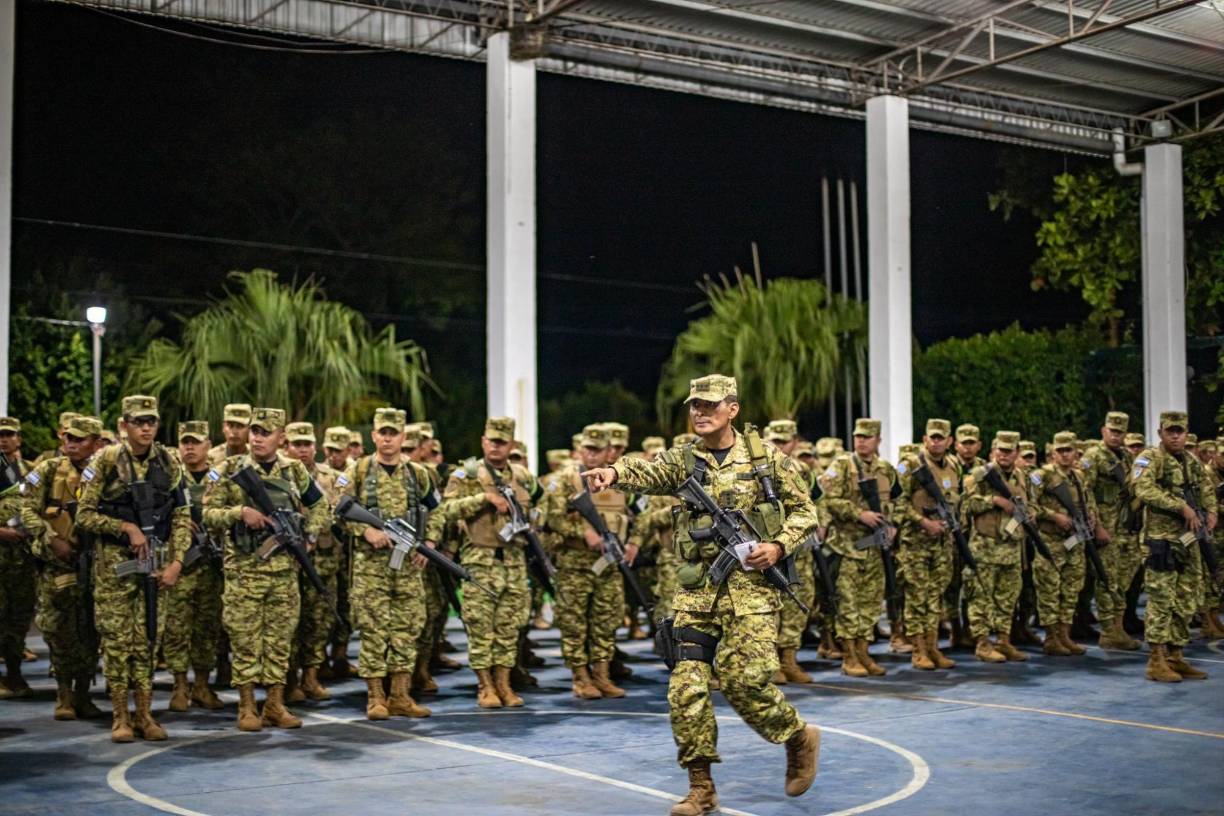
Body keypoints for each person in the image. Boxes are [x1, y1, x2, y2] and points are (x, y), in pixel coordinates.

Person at [583, 375, 820, 815]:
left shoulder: (768, 460)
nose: (699, 412)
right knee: (685, 689)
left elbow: (806, 511)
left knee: (743, 681)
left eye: (709, 405)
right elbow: (648, 471)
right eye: (694, 406)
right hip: (697, 592)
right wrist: (614, 472)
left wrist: (779, 544)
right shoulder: (684, 459)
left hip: (751, 593)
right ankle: (701, 787)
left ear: (733, 408)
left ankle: (796, 736)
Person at [203, 407, 329, 731]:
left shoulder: (295, 471)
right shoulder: (229, 469)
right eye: (254, 431)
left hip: (284, 572)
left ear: (281, 438)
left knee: (279, 640)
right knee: (245, 640)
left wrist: (310, 534)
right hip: (244, 571)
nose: (257, 438)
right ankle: (246, 707)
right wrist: (239, 512)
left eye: (265, 432)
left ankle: (274, 704)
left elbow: (320, 504)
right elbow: (207, 514)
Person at [77, 395, 190, 742]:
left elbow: (183, 515)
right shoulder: (107, 460)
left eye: (151, 421)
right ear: (123, 425)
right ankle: (120, 716)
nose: (145, 428)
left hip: (156, 565)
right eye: (138, 421)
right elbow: (84, 515)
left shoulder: (169, 462)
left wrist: (177, 562)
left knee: (147, 641)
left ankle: (144, 713)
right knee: (117, 643)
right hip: (115, 569)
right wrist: (125, 528)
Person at [428, 417, 539, 709]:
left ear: (511, 445)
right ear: (482, 441)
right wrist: (483, 499)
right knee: (480, 626)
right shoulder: (466, 474)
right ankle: (485, 686)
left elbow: (537, 513)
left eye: (501, 442)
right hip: (480, 559)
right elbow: (446, 510)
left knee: (509, 627)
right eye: (491, 441)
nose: (495, 446)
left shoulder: (523, 477)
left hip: (513, 560)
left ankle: (504, 683)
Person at [338, 408, 435, 719]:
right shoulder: (359, 471)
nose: (388, 438)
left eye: (394, 433)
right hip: (371, 568)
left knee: (406, 629)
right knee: (374, 631)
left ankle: (401, 695)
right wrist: (365, 529)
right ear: (374, 435)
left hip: (407, 567)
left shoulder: (418, 474)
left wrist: (429, 543)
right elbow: (335, 509)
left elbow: (438, 510)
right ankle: (375, 697)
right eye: (383, 432)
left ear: (403, 437)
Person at [541, 424, 639, 699]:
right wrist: (582, 533)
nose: (592, 454)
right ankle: (580, 677)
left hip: (609, 564)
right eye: (588, 449)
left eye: (598, 450)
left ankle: (602, 674)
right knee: (574, 623)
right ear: (580, 449)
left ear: (608, 450)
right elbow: (551, 518)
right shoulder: (563, 480)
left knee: (606, 621)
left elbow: (639, 513)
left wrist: (635, 542)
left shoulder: (619, 479)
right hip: (574, 563)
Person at [19, 416, 104, 716]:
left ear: (96, 443)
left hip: (96, 568)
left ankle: (83, 693)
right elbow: (25, 507)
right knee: (59, 631)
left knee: (91, 632)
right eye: (68, 437)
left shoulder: (105, 473)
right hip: (57, 567)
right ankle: (64, 695)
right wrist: (50, 537)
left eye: (80, 439)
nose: (71, 443)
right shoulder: (49, 470)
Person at [1133, 411, 1217, 682]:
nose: (1176, 436)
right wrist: (1180, 506)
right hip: (1162, 542)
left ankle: (1176, 655)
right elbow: (1144, 491)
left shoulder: (1191, 461)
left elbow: (1206, 488)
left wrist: (1211, 511)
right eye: (1171, 431)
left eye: (1180, 431)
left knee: (1186, 598)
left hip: (1189, 541)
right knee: (1161, 600)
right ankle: (1156, 660)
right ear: (1160, 433)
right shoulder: (1150, 458)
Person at [819, 418, 901, 678]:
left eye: (867, 436)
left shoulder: (886, 469)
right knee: (848, 604)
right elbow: (828, 499)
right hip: (848, 548)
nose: (862, 440)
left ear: (878, 440)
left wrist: (893, 525)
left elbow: (897, 501)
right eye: (858, 436)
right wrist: (858, 514)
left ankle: (864, 652)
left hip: (876, 549)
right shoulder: (842, 465)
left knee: (870, 604)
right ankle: (850, 656)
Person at [163, 421, 226, 712]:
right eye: (185, 442)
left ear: (208, 445)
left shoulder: (220, 477)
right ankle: (179, 687)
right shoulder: (169, 476)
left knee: (207, 627)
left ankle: (202, 684)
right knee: (176, 628)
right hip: (180, 565)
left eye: (196, 442)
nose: (190, 447)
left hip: (212, 566)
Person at [896, 419, 960, 671]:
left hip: (942, 543)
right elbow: (898, 503)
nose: (936, 441)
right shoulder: (910, 465)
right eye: (932, 437)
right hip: (915, 544)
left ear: (949, 441)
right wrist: (922, 522)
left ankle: (933, 647)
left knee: (935, 597)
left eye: (940, 437)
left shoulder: (953, 465)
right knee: (917, 596)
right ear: (924, 439)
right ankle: (918, 650)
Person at [960, 432, 1030, 662]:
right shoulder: (980, 475)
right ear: (992, 451)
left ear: (1016, 453)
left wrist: (1030, 514)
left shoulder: (1021, 477)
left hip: (1011, 548)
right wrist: (995, 501)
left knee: (1007, 598)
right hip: (985, 547)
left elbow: (1032, 505)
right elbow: (966, 505)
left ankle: (1003, 641)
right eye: (1000, 450)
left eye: (1008, 451)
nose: (1003, 455)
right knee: (981, 597)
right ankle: (982, 643)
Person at [1030, 431, 1100, 657]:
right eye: (1060, 451)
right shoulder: (1041, 476)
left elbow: (1088, 502)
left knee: (1070, 591)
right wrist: (1053, 516)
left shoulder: (1079, 477)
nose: (1064, 455)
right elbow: (1029, 506)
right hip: (1051, 543)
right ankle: (1051, 638)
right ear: (1052, 453)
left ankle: (1065, 635)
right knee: (1050, 591)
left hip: (1075, 543)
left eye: (1068, 450)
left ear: (1075, 452)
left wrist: (1091, 517)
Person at [283, 421, 339, 702]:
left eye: (307, 444)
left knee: (318, 622)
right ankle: (290, 680)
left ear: (315, 448)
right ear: (286, 446)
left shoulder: (330, 478)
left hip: (323, 562)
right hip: (288, 563)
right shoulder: (279, 475)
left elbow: (339, 512)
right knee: (290, 623)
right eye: (297, 444)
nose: (302, 450)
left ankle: (311, 677)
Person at [1082, 412, 1142, 650]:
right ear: (1103, 431)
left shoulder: (1127, 458)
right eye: (1112, 431)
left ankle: (1118, 626)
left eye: (1120, 432)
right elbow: (1084, 494)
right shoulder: (1093, 457)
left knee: (1121, 580)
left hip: (1125, 528)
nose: (1116, 436)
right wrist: (1096, 526)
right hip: (1105, 529)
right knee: (1107, 579)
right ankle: (1109, 630)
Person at [764, 418, 816, 684]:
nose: (781, 446)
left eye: (785, 441)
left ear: (795, 442)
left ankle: (789, 660)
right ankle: (771, 662)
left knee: (797, 604)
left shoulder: (803, 470)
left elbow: (814, 504)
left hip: (798, 549)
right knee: (770, 606)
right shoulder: (758, 468)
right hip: (768, 549)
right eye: (775, 441)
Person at [0, 416, 35, 698]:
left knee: (19, 616)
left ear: (18, 439)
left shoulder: (29, 471)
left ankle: (14, 673)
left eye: (9, 435)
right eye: (0, 435)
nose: (4, 439)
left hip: (23, 559)